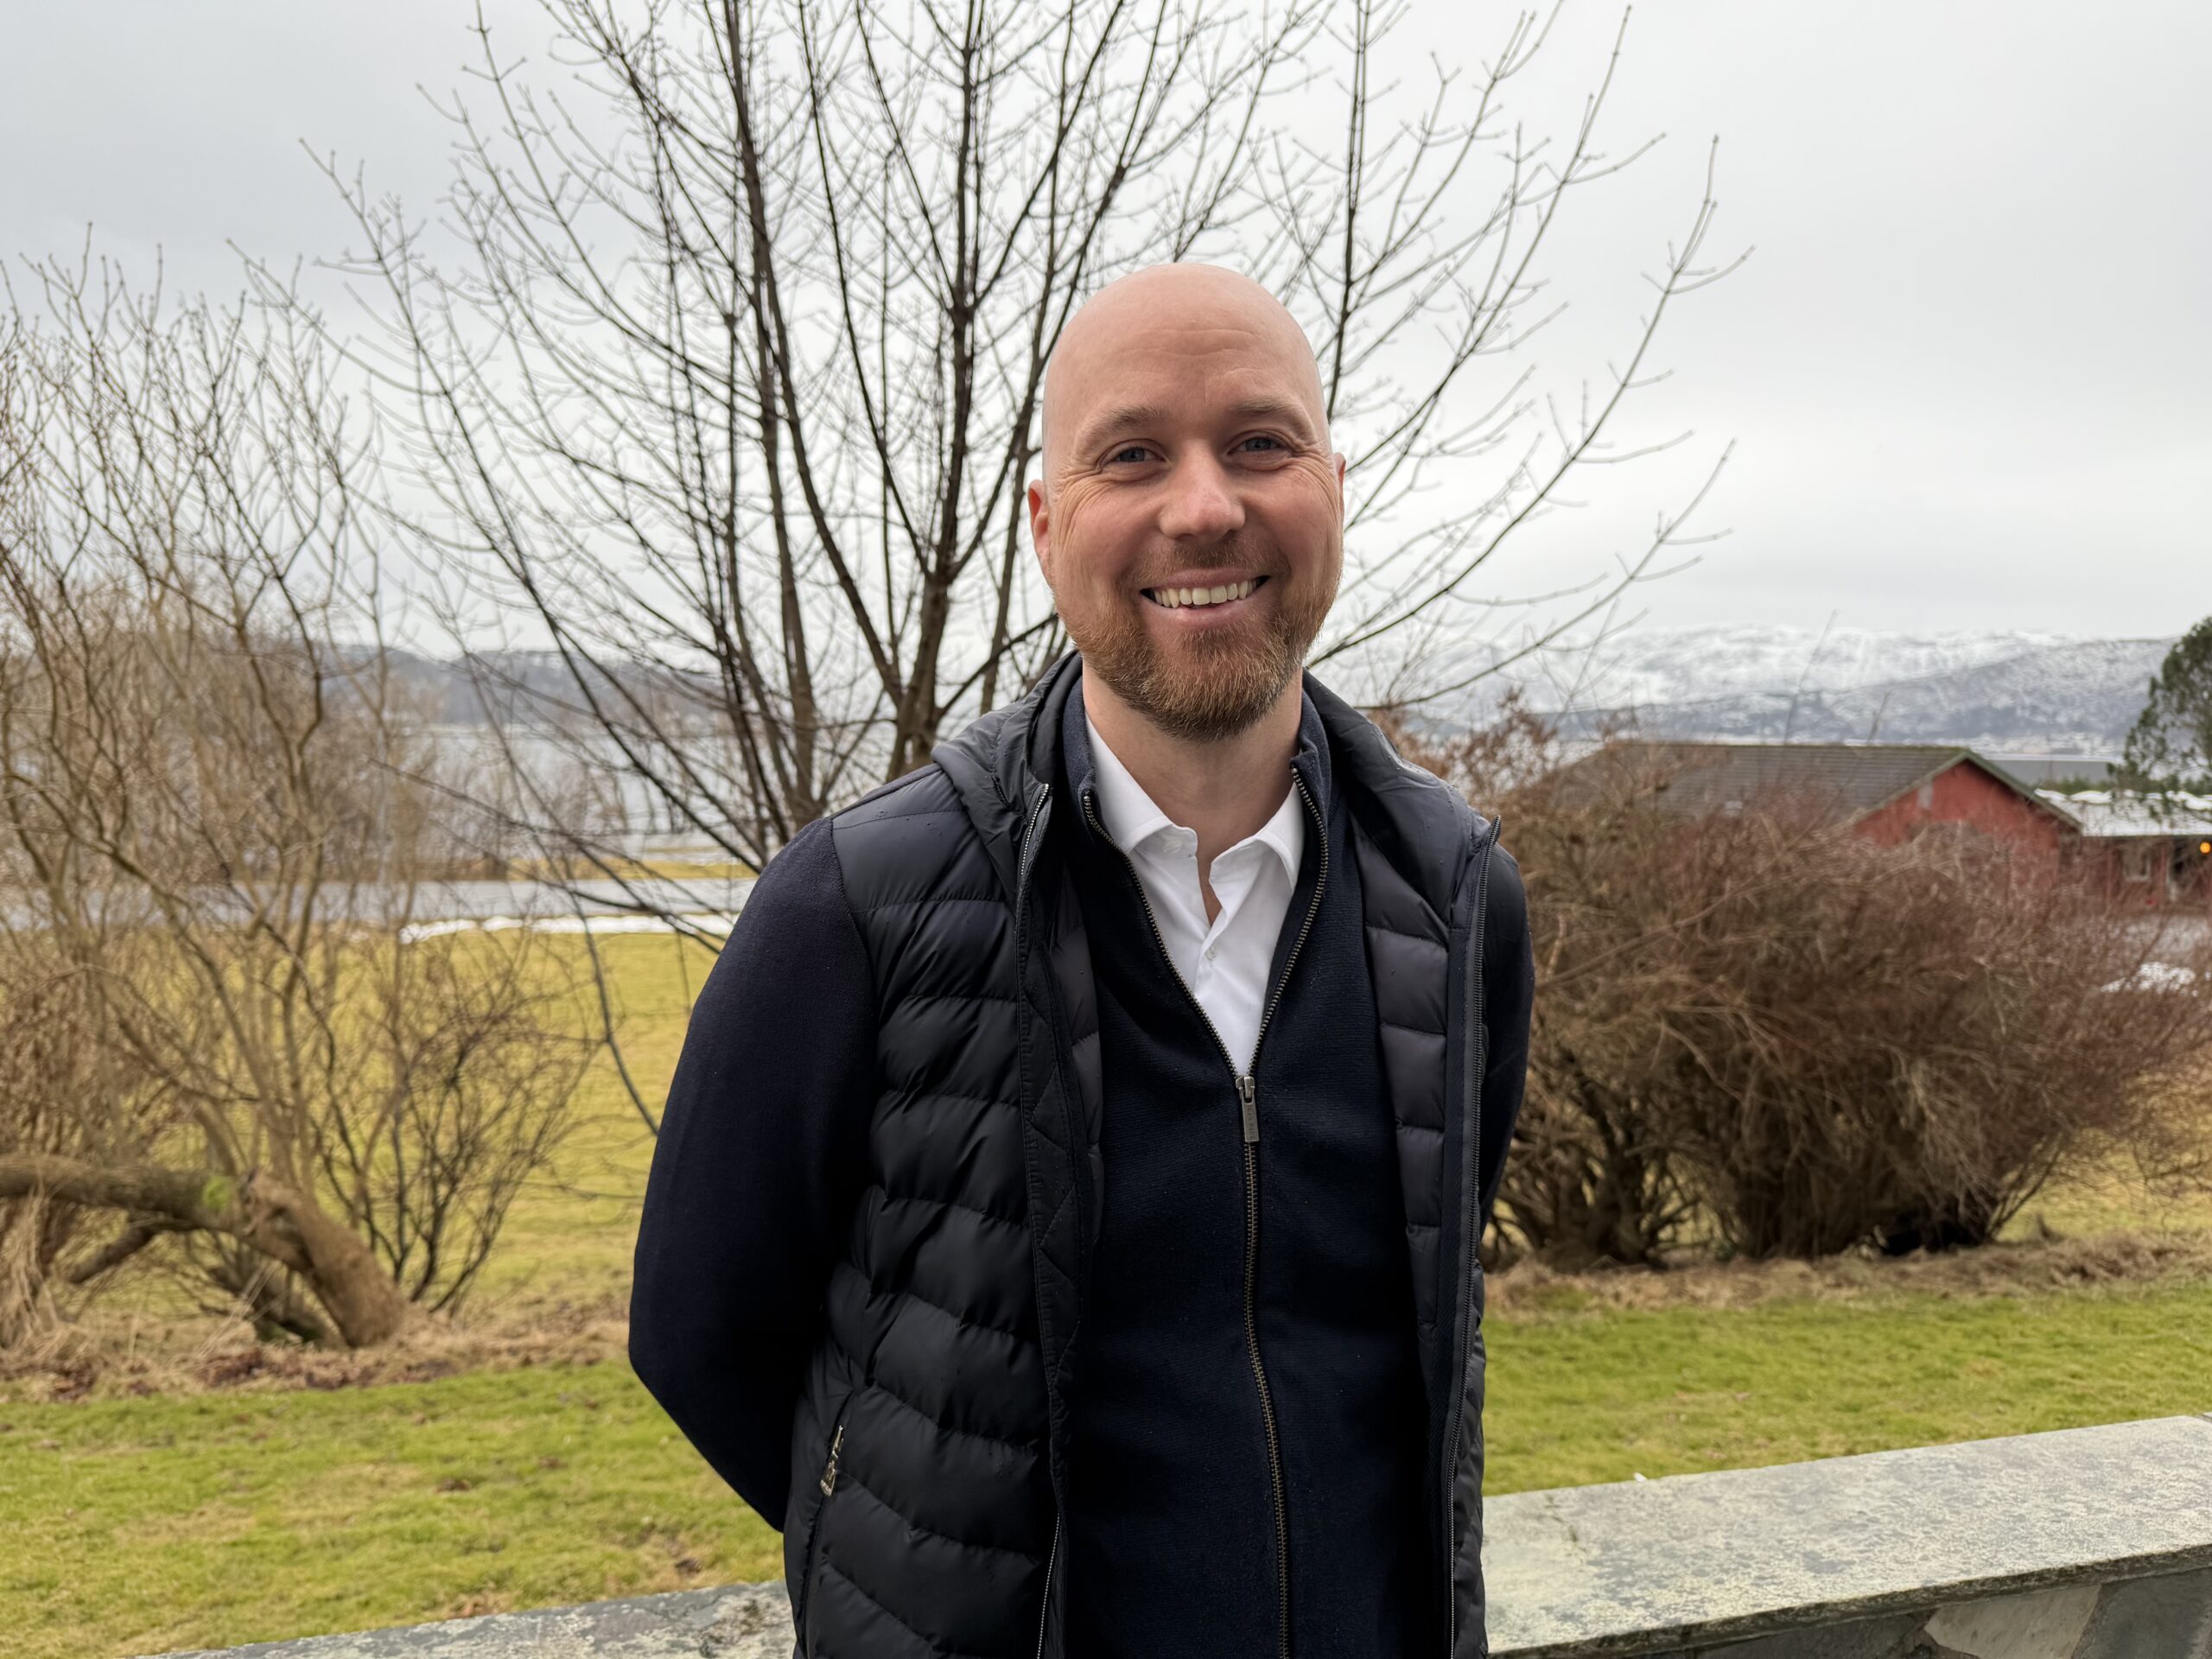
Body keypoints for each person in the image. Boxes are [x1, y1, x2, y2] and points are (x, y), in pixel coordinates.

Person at [629, 263, 1536, 1659]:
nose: (1204, 506)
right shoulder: (855, 907)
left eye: (1260, 442)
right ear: (1049, 527)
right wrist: (904, 1576)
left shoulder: (1456, 897)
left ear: (1334, 488)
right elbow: (700, 1334)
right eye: (1133, 455)